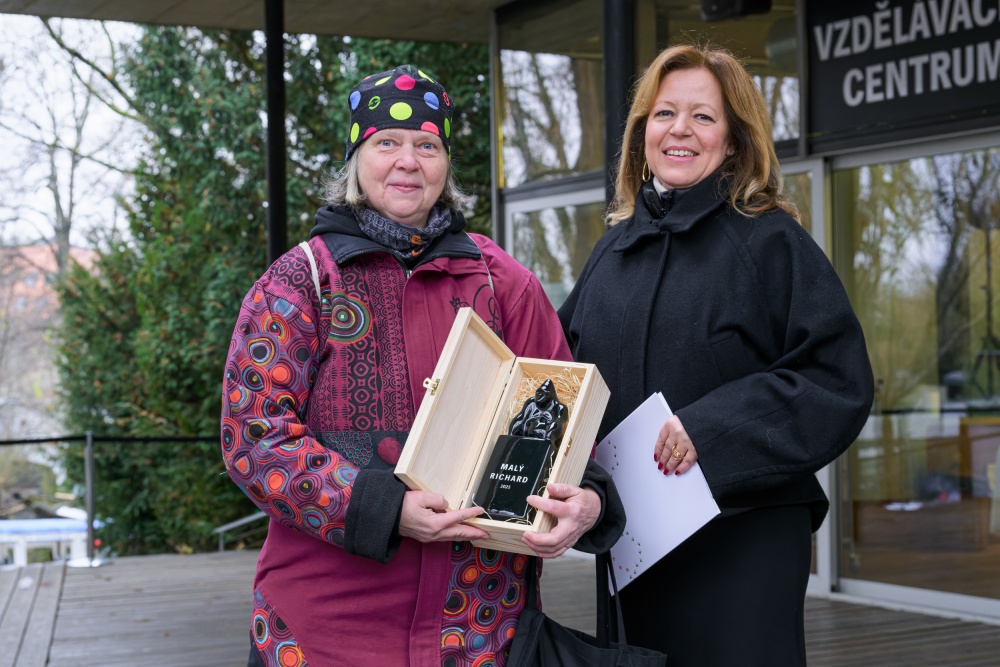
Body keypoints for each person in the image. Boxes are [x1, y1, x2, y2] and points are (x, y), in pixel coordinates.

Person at [220, 64, 624, 667]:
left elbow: (565, 423)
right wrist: (386, 511)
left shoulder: (503, 282)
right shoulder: (300, 282)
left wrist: (587, 499)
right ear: (356, 159)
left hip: (479, 631)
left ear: (445, 165)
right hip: (325, 631)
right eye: (387, 143)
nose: (408, 161)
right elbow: (255, 439)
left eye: (427, 146)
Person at [558, 44, 875, 666]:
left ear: (733, 141)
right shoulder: (614, 249)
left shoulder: (770, 239)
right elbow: (562, 371)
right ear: (641, 133)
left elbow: (836, 379)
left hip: (742, 537)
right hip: (633, 537)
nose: (680, 130)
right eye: (663, 113)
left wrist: (711, 428)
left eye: (703, 117)